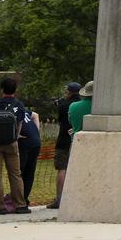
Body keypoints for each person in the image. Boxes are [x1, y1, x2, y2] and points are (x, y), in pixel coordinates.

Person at [0, 77, 30, 214]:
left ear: (2, 90)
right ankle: (20, 204)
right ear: (15, 90)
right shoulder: (19, 105)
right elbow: (19, 125)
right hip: (11, 143)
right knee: (15, 174)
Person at [47, 82, 79, 210]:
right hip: (79, 139)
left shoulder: (64, 105)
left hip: (64, 140)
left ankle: (60, 198)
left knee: (62, 168)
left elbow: (60, 120)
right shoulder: (86, 105)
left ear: (69, 91)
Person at [18, 106, 42, 204]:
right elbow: (35, 115)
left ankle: (19, 200)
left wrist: (16, 135)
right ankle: (25, 198)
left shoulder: (7, 109)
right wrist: (36, 132)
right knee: (29, 172)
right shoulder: (19, 107)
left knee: (19, 172)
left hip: (24, 140)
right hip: (36, 141)